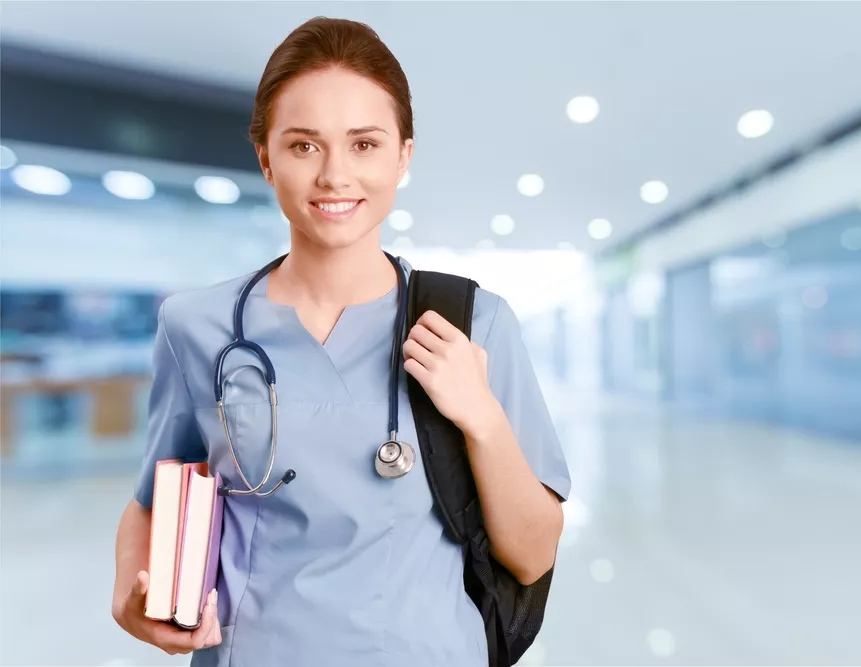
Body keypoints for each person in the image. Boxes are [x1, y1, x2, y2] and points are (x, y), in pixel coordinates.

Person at [110, 16, 571, 666]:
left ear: (403, 156)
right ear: (266, 157)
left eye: (364, 144)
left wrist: (483, 419)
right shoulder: (196, 326)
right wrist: (133, 597)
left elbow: (533, 554)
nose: (334, 175)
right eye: (303, 146)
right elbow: (153, 502)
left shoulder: (475, 321)